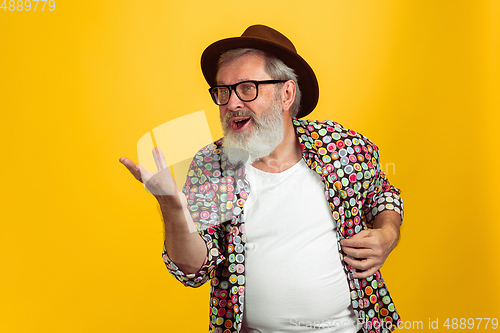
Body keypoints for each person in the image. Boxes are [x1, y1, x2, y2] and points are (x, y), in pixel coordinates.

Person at [120, 24, 404, 333]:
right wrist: (173, 207)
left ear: (286, 93)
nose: (231, 103)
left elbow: (382, 193)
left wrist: (388, 232)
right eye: (223, 90)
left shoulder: (341, 146)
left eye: (247, 88)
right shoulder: (212, 165)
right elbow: (192, 269)